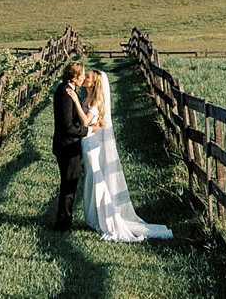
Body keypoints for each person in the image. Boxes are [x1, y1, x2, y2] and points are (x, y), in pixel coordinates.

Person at [78, 69, 172, 241]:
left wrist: (75, 103)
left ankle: (108, 218)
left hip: (91, 143)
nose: (84, 79)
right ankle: (94, 216)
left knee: (96, 178)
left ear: (95, 82)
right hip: (85, 142)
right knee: (90, 177)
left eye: (88, 77)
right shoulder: (86, 98)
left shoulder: (97, 100)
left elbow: (85, 121)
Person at [50, 61, 96, 229]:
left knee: (69, 184)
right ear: (74, 78)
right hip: (67, 147)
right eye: (82, 76)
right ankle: (62, 223)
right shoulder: (65, 93)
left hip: (68, 146)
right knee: (68, 185)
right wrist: (89, 131)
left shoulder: (67, 91)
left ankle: (64, 220)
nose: (83, 78)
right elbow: (67, 127)